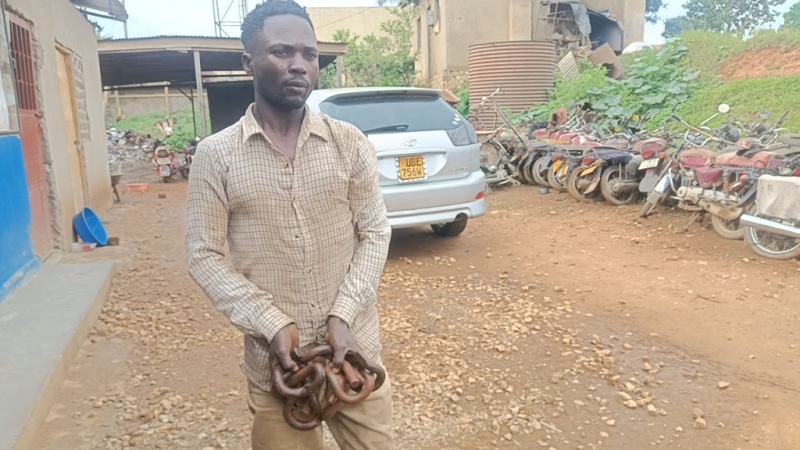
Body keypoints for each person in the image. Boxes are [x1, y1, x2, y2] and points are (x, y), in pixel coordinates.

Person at [184, 1, 394, 449]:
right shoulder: (216, 156)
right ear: (249, 63)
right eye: (281, 52)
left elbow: (375, 231)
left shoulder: (348, 143)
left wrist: (344, 315)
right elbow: (204, 254)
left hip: (355, 359)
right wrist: (271, 321)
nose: (299, 65)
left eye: (309, 54)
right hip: (277, 371)